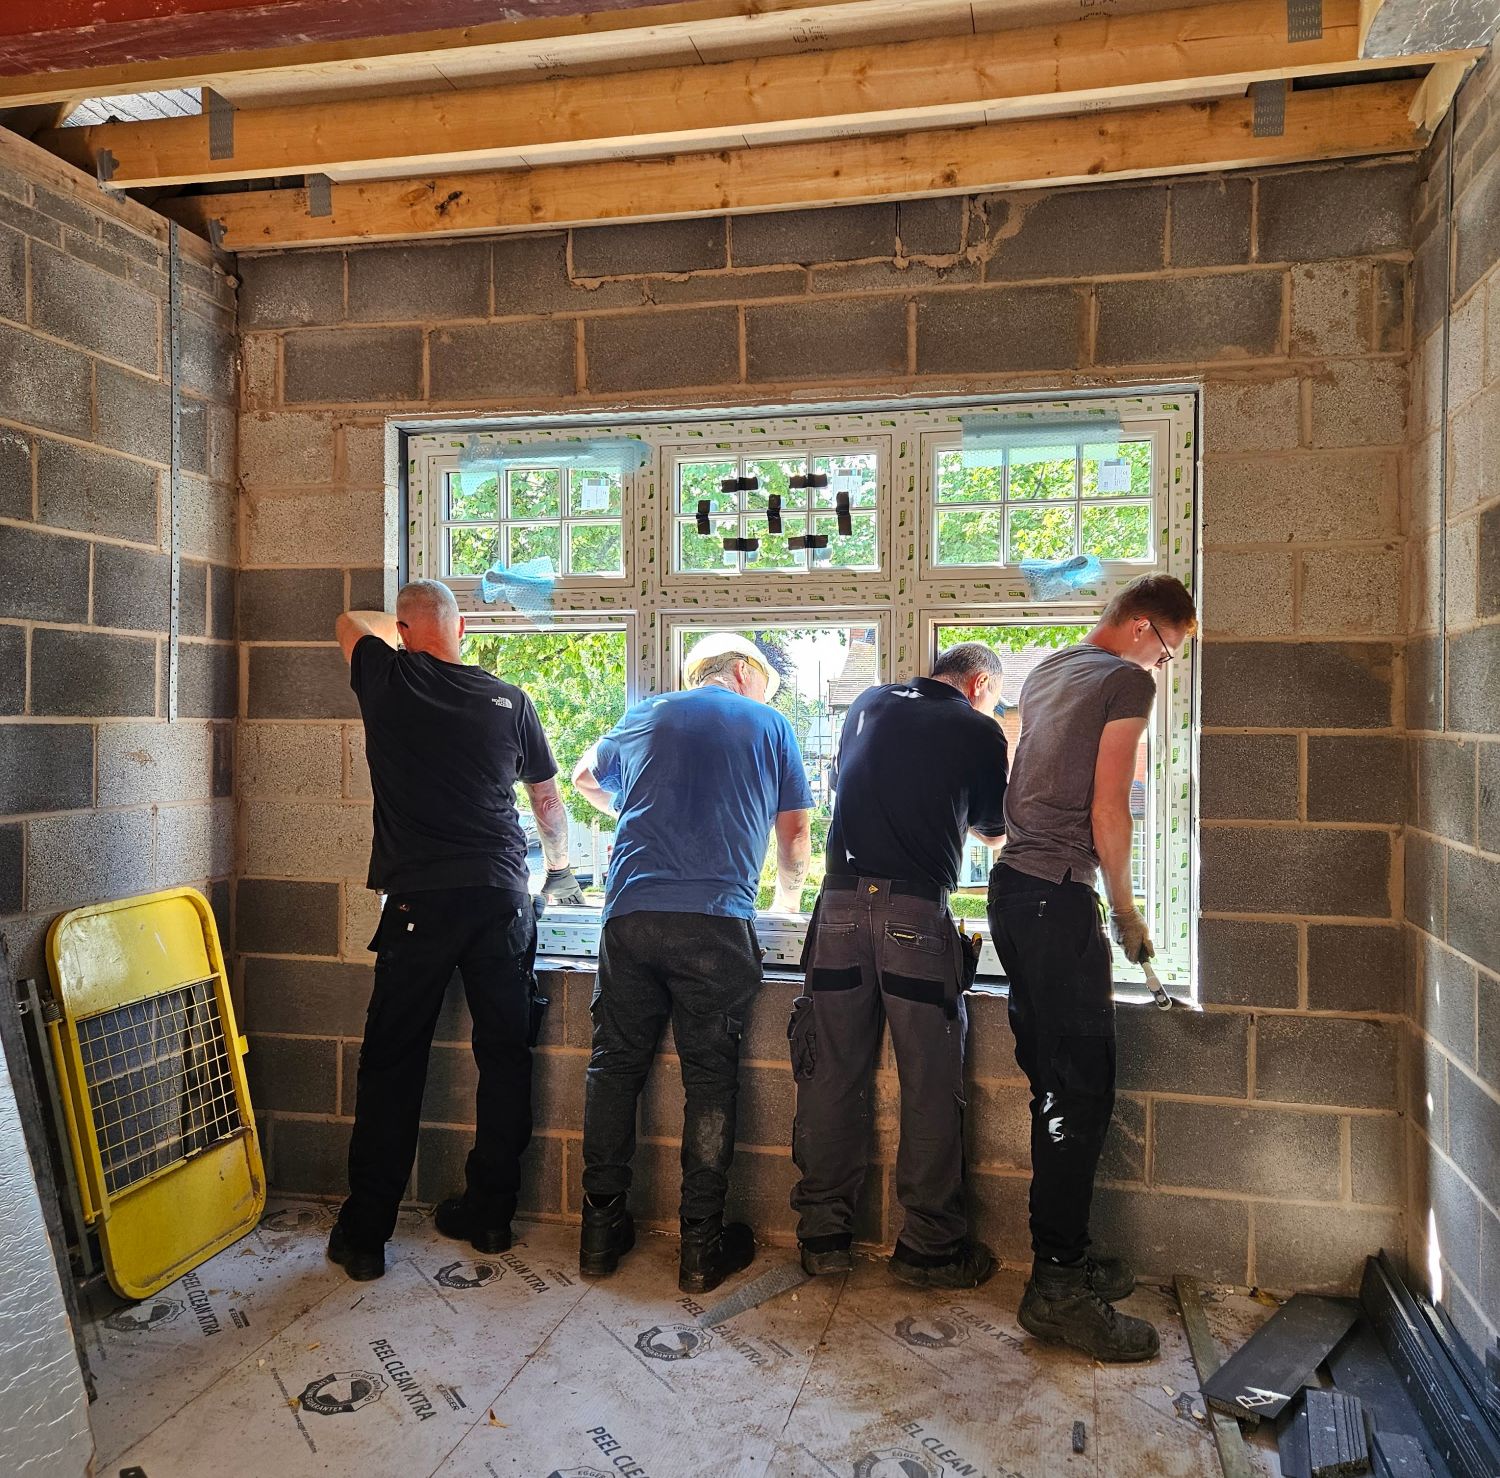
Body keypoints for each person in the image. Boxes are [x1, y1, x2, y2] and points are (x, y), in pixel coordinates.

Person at [326, 580, 575, 1281]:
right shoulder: (509, 698)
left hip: (420, 902)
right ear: (462, 626)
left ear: (404, 630)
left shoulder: (388, 674)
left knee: (393, 1063)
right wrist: (559, 871)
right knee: (504, 1055)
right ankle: (491, 1216)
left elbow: (350, 621)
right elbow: (549, 802)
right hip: (503, 893)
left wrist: (400, 631)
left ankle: (367, 1236)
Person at [988, 573, 1197, 1362]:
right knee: (1079, 1090)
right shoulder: (1121, 680)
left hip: (1013, 894)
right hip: (1054, 899)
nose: (1164, 666)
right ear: (1145, 627)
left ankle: (1063, 1255)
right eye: (1171, 651)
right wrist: (1128, 909)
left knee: (1055, 1082)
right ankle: (1058, 1288)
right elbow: (1110, 804)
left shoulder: (1049, 667)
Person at [571, 634, 813, 1294]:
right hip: (714, 921)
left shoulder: (646, 713)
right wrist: (787, 899)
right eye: (763, 681)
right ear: (742, 673)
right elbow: (794, 837)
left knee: (614, 1066)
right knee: (709, 1080)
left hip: (630, 915)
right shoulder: (770, 724)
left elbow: (583, 778)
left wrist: (634, 810)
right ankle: (700, 1248)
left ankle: (599, 1232)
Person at [790, 643, 1009, 1288]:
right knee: (929, 1079)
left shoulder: (867, 703)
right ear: (978, 684)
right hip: (915, 910)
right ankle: (928, 1248)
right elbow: (993, 828)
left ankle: (823, 1236)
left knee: (830, 1072)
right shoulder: (976, 727)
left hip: (834, 912)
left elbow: (853, 789)